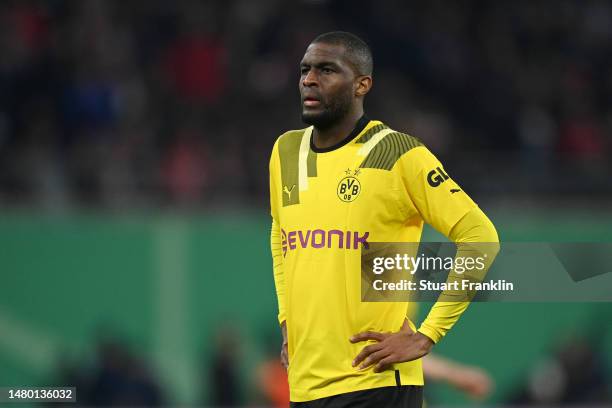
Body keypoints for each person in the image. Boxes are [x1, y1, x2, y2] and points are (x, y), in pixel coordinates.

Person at [268, 31, 499, 407]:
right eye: (305, 69)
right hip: (307, 385)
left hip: (377, 386)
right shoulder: (285, 151)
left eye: (327, 70)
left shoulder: (398, 153)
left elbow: (481, 236)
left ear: (362, 84)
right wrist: (286, 321)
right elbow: (281, 233)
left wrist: (428, 335)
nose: (309, 79)